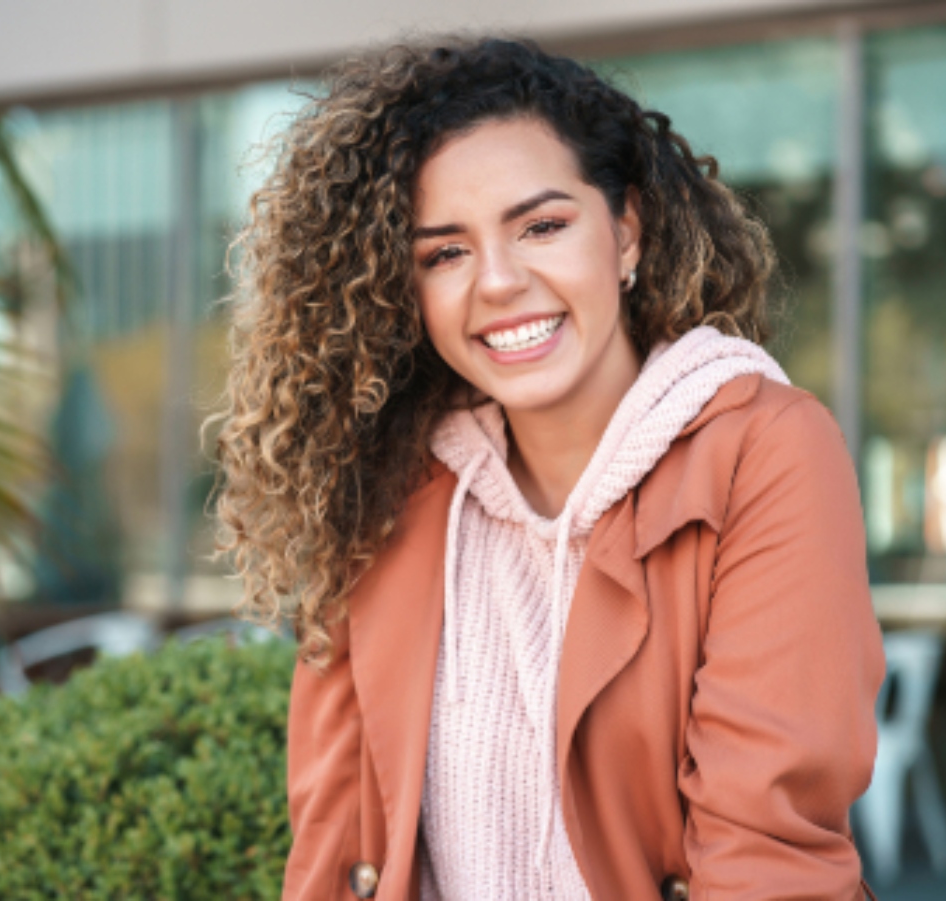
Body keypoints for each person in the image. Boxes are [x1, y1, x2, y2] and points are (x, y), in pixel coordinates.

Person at [213, 36, 885, 901]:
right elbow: (333, 842)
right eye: (444, 253)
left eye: (542, 226)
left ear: (627, 232)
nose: (497, 281)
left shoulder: (763, 450)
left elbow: (766, 855)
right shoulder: (386, 484)